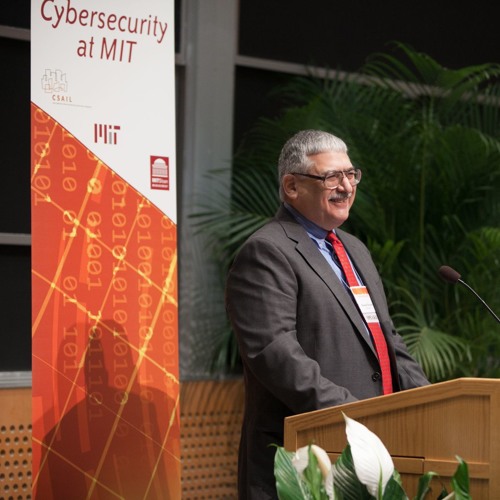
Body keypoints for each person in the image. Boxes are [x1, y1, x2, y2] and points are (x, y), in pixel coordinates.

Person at [225, 129, 430, 499]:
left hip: (376, 454)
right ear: (292, 186)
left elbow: (387, 340)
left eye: (351, 174)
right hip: (308, 459)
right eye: (332, 176)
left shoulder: (354, 249)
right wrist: (355, 416)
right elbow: (275, 353)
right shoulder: (267, 251)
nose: (346, 187)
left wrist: (430, 404)